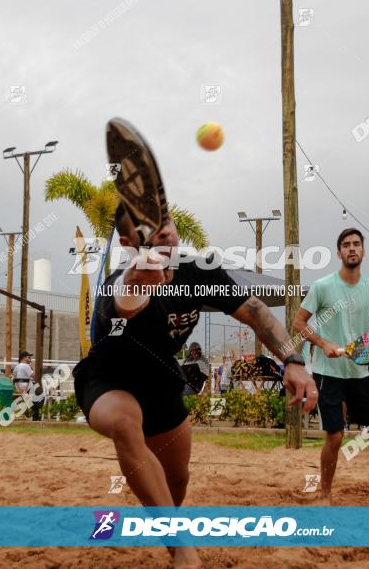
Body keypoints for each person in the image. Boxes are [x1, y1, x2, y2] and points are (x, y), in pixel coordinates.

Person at [75, 203, 317, 568]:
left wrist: (294, 361)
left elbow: (256, 313)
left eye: (165, 222)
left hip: (161, 381)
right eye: (148, 230)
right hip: (109, 380)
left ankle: (165, 524)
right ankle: (182, 550)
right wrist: (136, 280)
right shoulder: (122, 282)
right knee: (126, 423)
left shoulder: (198, 271)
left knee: (177, 480)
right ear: (127, 244)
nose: (164, 233)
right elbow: (125, 304)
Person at [292, 227, 369, 502]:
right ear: (339, 253)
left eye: (356, 244)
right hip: (329, 374)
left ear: (363, 250)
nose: (352, 248)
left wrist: (368, 352)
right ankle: (325, 491)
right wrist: (323, 343)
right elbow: (298, 323)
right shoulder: (323, 287)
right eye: (346, 245)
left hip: (359, 372)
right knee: (335, 436)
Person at [13, 350, 40, 420]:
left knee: (31, 401)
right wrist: (33, 367)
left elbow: (14, 378)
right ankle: (35, 418)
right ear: (24, 358)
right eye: (29, 357)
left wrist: (19, 389)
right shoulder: (25, 366)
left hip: (20, 390)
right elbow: (35, 376)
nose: (30, 359)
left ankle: (30, 414)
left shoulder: (17, 366)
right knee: (38, 398)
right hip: (27, 390)